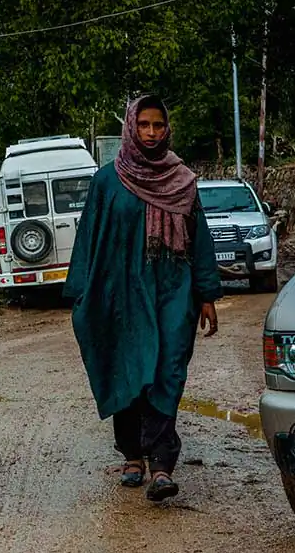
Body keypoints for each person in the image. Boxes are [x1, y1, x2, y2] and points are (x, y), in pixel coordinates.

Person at [65, 94, 222, 502]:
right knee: (128, 370)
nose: (152, 133)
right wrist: (81, 292)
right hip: (121, 294)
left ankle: (162, 465)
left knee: (166, 371)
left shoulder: (182, 179)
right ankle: (133, 455)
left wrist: (206, 293)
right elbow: (89, 237)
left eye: (159, 125)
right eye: (144, 125)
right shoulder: (107, 181)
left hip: (172, 291)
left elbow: (198, 238)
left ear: (167, 129)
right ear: (131, 128)